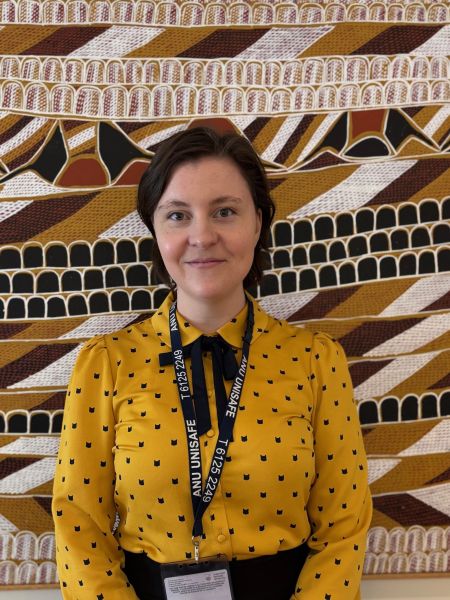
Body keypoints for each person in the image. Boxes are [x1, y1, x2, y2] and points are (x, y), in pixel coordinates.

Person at [52, 126, 372, 600]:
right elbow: (79, 527)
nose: (202, 235)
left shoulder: (316, 362)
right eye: (178, 215)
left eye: (224, 211)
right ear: (156, 232)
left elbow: (345, 524)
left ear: (258, 222)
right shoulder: (105, 365)